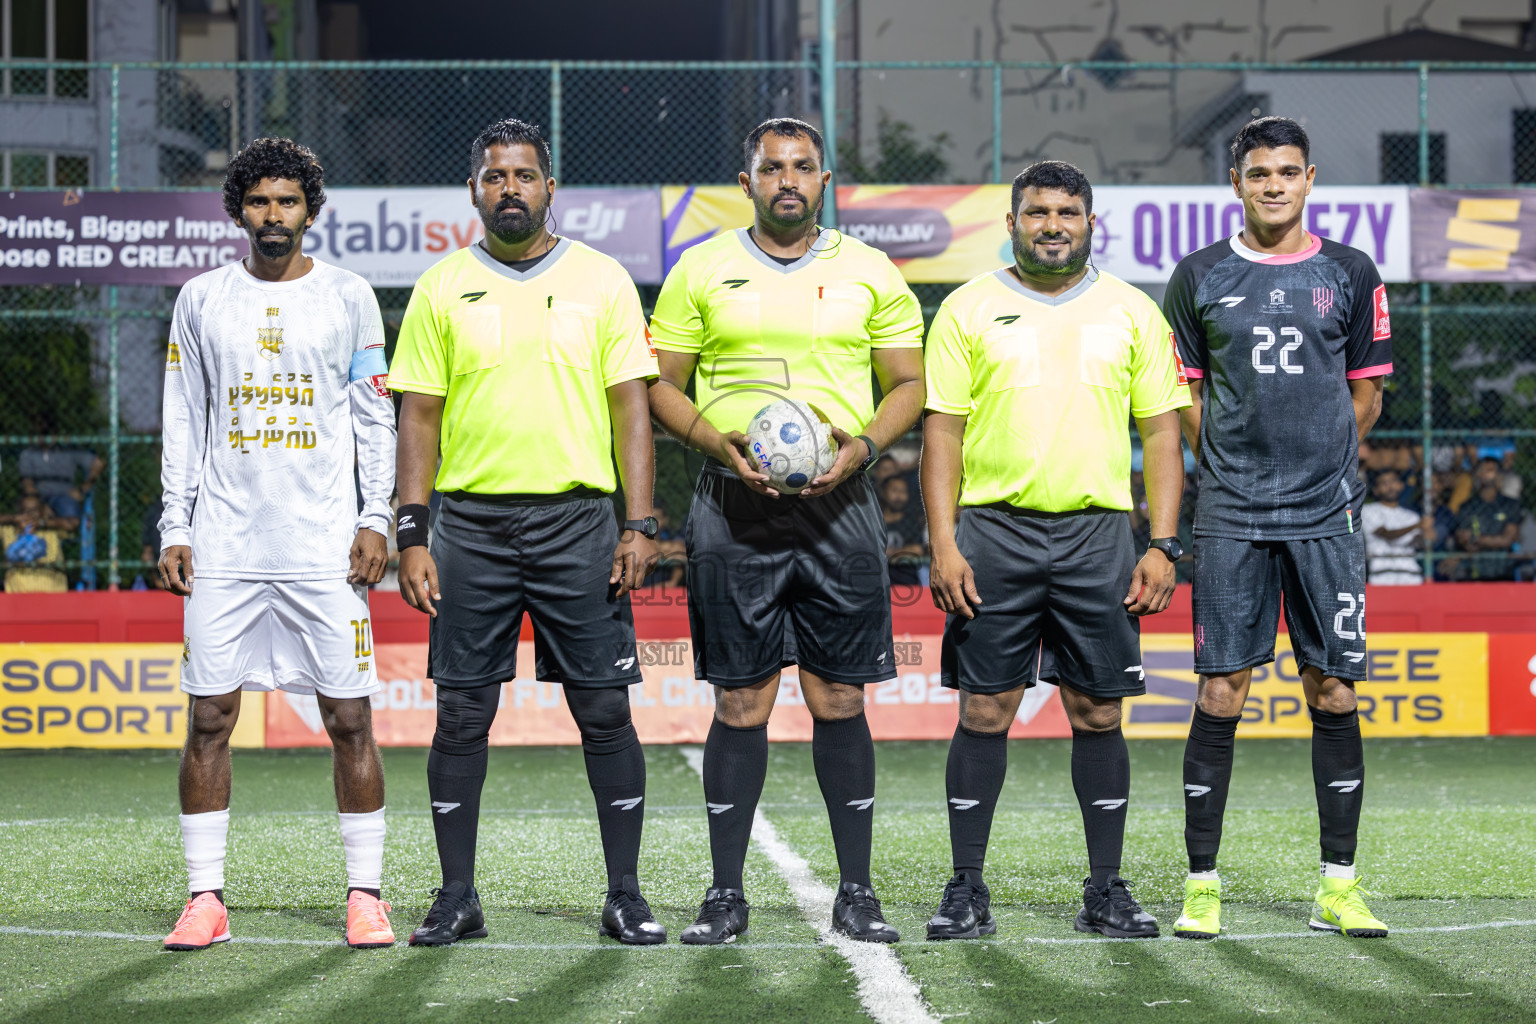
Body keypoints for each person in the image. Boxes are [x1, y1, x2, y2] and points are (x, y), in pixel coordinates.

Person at [647, 117, 925, 945]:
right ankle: (724, 896)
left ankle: (858, 893)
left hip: (839, 508)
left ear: (825, 179)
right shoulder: (700, 268)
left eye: (803, 166)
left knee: (839, 696)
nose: (788, 179)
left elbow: (909, 383)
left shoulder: (871, 271)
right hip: (734, 506)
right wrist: (713, 440)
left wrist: (867, 447)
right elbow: (660, 388)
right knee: (741, 699)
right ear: (748, 182)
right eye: (772, 168)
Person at [389, 118, 663, 947]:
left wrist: (639, 523)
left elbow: (632, 411)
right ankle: (456, 896)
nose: (510, 188)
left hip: (579, 523)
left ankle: (625, 895)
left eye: (525, 176)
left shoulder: (603, 280)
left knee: (605, 710)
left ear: (551, 188)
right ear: (475, 190)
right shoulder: (440, 287)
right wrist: (412, 531)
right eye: (495, 176)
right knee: (462, 714)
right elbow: (419, 416)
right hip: (469, 525)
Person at [921, 160, 1188, 942]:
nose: (1052, 224)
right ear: (1012, 223)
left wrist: (1163, 543)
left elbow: (1162, 433)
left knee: (1098, 710)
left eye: (1067, 211)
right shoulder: (968, 308)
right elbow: (943, 433)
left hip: (1097, 534)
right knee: (985, 708)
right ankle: (966, 887)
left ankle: (1105, 890)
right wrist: (943, 541)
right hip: (992, 532)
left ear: (1089, 222)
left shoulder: (1132, 311)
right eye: (1036, 211)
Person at [157, 137, 397, 951]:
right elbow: (183, 419)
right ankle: (205, 900)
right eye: (258, 202)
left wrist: (377, 518)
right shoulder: (200, 300)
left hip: (325, 546)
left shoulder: (350, 297)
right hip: (225, 543)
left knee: (349, 718)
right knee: (210, 718)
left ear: (310, 210)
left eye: (287, 201)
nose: (273, 216)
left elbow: (373, 415)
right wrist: (174, 523)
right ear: (238, 211)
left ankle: (365, 896)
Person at [1164, 116, 1393, 940]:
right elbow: (1185, 396)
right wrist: (1228, 466)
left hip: (1325, 516)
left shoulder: (1351, 272)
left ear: (1309, 178)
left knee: (1332, 688)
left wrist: (1325, 463)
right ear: (1237, 182)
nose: (1273, 185)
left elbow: (1366, 390)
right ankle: (1202, 884)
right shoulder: (1198, 276)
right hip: (1230, 513)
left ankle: (1338, 884)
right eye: (1258, 172)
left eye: (1287, 172)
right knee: (1222, 691)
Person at [1454, 456, 1523, 581]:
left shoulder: (1510, 504)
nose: (1489, 474)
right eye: (1485, 470)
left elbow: (1508, 539)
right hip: (1475, 572)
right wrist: (1494, 540)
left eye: (1492, 470)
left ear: (1499, 475)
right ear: (1478, 474)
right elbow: (1464, 540)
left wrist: (1476, 539)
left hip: (1504, 571)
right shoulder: (1467, 506)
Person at [1361, 470, 1430, 585]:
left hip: (1411, 575)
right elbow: (1387, 534)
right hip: (1381, 575)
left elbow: (1419, 543)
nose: (1390, 487)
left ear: (1401, 486)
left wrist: (1427, 535)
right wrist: (1417, 526)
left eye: (1393, 481)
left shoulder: (1412, 516)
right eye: (1384, 483)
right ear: (1376, 490)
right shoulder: (1367, 511)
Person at [17, 436, 101, 532]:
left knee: (72, 522)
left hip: (64, 496)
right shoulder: (29, 453)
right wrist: (41, 505)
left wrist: (83, 489)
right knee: (29, 504)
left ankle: (42, 523)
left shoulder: (68, 450)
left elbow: (97, 463)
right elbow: (28, 484)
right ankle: (30, 540)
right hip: (39, 496)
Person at [879, 475, 925, 586]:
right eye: (894, 490)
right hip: (876, 578)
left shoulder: (911, 521)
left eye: (903, 491)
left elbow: (917, 549)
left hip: (906, 580)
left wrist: (890, 553)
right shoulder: (875, 520)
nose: (899, 496)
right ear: (883, 493)